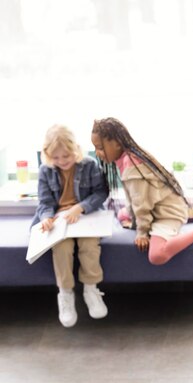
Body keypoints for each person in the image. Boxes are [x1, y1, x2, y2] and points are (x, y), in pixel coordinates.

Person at [91, 117, 193, 265]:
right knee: (122, 213)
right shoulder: (127, 157)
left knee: (157, 256)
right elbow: (136, 198)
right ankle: (190, 216)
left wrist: (142, 233)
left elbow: (141, 203)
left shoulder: (132, 163)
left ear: (116, 143)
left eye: (100, 148)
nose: (97, 153)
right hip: (157, 207)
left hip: (166, 213)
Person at [33, 124, 109, 327]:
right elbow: (45, 201)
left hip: (86, 216)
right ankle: (65, 293)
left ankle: (91, 289)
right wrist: (47, 218)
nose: (62, 162)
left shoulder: (89, 164)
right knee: (61, 247)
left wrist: (81, 207)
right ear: (48, 156)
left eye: (66, 156)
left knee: (89, 245)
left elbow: (101, 192)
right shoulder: (45, 170)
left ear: (75, 149)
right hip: (60, 220)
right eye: (56, 158)